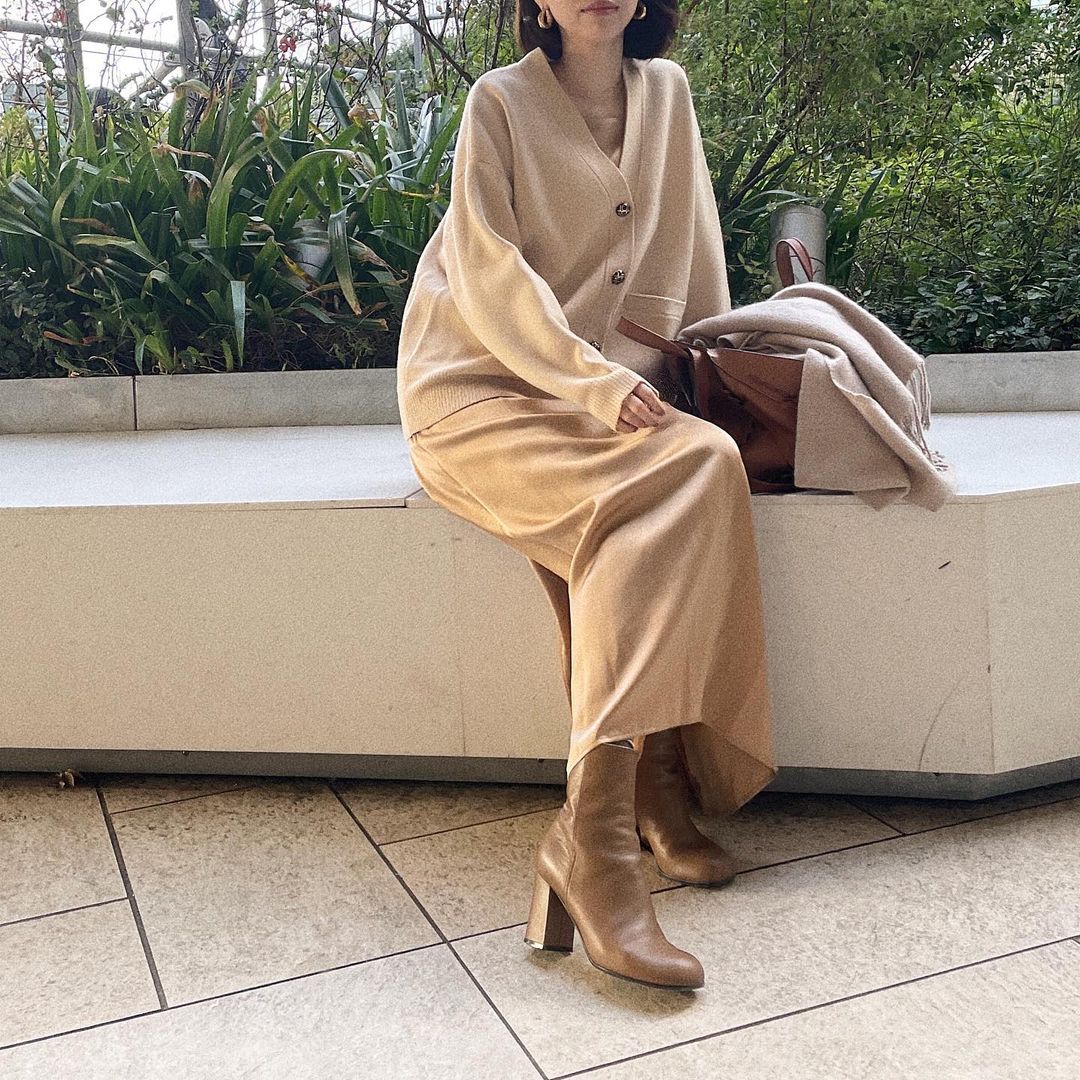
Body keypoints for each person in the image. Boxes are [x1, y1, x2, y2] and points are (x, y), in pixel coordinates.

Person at [396, 0, 778, 991]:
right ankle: (606, 834)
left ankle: (634, 792)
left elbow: (691, 250)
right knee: (651, 500)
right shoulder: (499, 102)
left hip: (608, 394)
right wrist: (593, 384)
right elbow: (487, 274)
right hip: (479, 388)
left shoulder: (668, 95)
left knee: (702, 461)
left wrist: (704, 383)